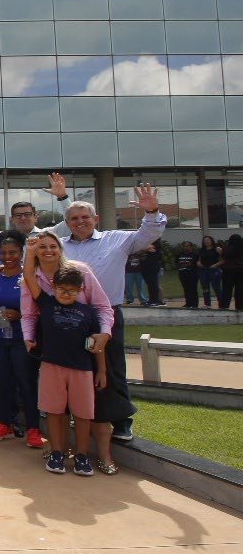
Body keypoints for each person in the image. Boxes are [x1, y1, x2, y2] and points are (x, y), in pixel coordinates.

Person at [46, 176, 165, 442]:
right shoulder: (59, 246)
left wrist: (151, 211)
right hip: (68, 315)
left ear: (96, 219)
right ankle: (76, 417)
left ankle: (121, 421)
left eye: (85, 217)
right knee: (72, 367)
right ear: (67, 222)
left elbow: (149, 234)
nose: (80, 222)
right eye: (74, 218)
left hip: (105, 315)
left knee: (111, 368)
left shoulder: (117, 239)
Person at [23, 253, 107, 477]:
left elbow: (96, 344)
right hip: (52, 366)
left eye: (72, 290)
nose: (66, 294)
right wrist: (31, 251)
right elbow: (28, 276)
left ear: (80, 290)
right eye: (61, 289)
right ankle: (57, 452)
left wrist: (102, 370)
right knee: (54, 411)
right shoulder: (46, 303)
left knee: (83, 414)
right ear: (53, 287)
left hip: (82, 369)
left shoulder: (88, 313)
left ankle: (81, 455)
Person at [0, 232, 42, 448]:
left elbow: (42, 308)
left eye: (13, 252)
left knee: (26, 384)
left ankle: (33, 429)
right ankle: (5, 423)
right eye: (3, 253)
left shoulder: (30, 277)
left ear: (22, 253)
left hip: (22, 339)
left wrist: (21, 315)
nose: (7, 257)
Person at [198, 236, 224, 308]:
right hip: (204, 270)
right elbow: (199, 260)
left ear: (212, 241)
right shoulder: (201, 250)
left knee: (217, 288)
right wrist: (198, 263)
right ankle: (207, 304)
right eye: (204, 240)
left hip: (214, 270)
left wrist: (216, 265)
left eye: (208, 240)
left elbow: (223, 260)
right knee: (205, 288)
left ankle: (222, 304)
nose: (206, 241)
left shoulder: (217, 249)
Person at [175, 241, 200, 309]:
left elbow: (197, 264)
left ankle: (194, 304)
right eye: (184, 246)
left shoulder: (195, 255)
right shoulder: (180, 254)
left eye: (187, 246)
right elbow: (176, 263)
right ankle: (188, 303)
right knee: (186, 289)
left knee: (193, 289)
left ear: (191, 247)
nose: (186, 247)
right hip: (182, 274)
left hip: (192, 274)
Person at [221, 234, 243, 311]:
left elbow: (224, 255)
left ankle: (225, 306)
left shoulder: (227, 248)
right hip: (241, 271)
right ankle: (240, 306)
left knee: (227, 290)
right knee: (240, 290)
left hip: (228, 271)